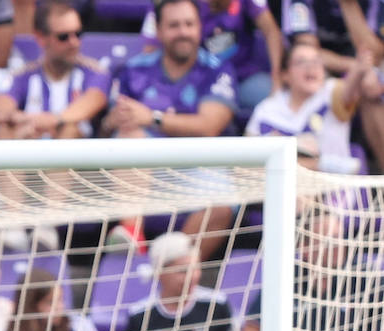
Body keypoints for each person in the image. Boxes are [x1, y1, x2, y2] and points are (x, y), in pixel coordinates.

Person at [102, 0, 237, 260]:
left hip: (199, 165)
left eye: (189, 24)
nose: (183, 32)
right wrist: (113, 120)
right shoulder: (135, 69)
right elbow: (112, 124)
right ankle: (132, 235)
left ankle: (172, 268)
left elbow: (209, 125)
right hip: (143, 171)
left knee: (222, 206)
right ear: (159, 31)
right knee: (130, 137)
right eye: (174, 25)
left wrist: (152, 117)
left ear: (200, 27)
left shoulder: (217, 69)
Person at [246, 34, 379, 174]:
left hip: (332, 192)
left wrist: (358, 70)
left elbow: (348, 91)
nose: (311, 67)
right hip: (280, 191)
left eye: (317, 61)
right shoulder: (266, 109)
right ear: (285, 75)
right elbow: (247, 158)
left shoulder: (331, 90)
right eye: (301, 62)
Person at [0, 1, 110, 139]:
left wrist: (55, 120)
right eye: (63, 37)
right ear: (41, 38)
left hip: (79, 153)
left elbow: (93, 101)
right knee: (6, 129)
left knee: (69, 129)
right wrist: (28, 121)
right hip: (32, 140)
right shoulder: (25, 74)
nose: (74, 42)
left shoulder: (94, 71)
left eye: (78, 34)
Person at [139, 0, 285, 112]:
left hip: (242, 76)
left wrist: (276, 77)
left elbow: (271, 31)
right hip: (197, 81)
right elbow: (150, 50)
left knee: (278, 102)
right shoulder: (168, 4)